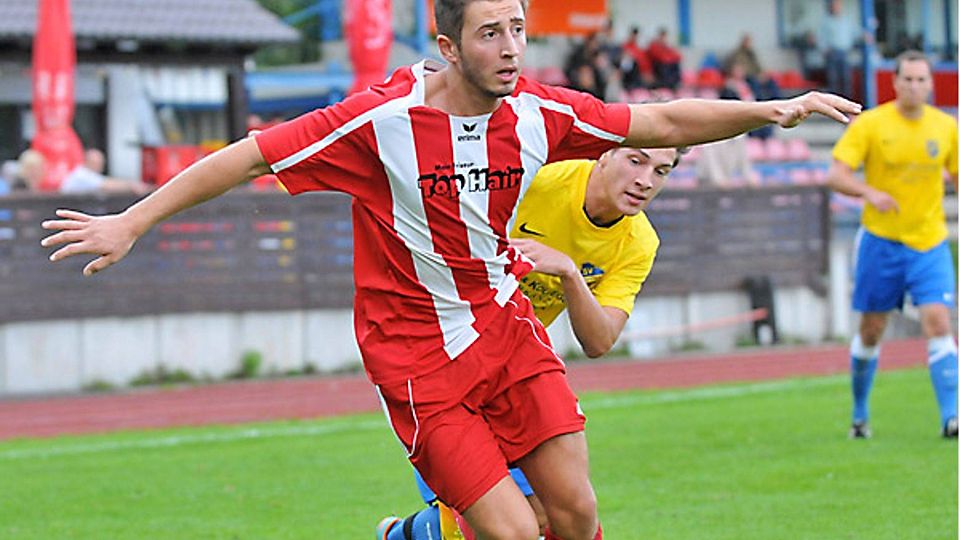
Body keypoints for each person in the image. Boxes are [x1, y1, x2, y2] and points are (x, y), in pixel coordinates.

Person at [41, 1, 858, 538]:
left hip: (506, 329)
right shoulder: (379, 121)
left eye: (518, 28)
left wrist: (770, 110)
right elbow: (249, 158)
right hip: (416, 357)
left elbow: (666, 116)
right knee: (510, 533)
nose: (510, 49)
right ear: (446, 45)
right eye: (490, 33)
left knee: (574, 516)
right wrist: (132, 220)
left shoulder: (544, 112)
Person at [377, 146, 679, 540]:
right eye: (635, 160)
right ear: (603, 153)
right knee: (503, 524)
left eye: (662, 171)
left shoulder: (638, 241)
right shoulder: (537, 179)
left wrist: (569, 273)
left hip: (515, 367)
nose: (646, 180)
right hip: (437, 354)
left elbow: (599, 339)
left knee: (564, 513)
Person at [824, 50, 957, 439]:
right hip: (881, 242)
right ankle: (860, 415)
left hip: (929, 241)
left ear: (931, 84)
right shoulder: (871, 125)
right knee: (871, 330)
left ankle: (951, 418)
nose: (915, 86)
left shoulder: (946, 128)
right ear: (895, 83)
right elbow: (835, 175)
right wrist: (870, 192)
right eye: (908, 79)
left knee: (938, 320)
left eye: (922, 79)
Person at [60, 148, 151, 195]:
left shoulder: (88, 174)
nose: (99, 166)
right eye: (96, 163)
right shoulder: (81, 175)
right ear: (87, 162)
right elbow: (106, 184)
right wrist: (132, 185)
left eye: (101, 163)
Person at [820, 0, 854, 97]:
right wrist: (824, 49)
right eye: (834, 5)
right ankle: (833, 106)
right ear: (830, 7)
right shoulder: (826, 22)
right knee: (833, 81)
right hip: (832, 54)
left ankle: (846, 105)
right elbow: (821, 37)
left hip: (844, 53)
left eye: (838, 5)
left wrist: (864, 36)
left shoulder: (846, 21)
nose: (836, 7)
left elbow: (854, 33)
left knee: (846, 80)